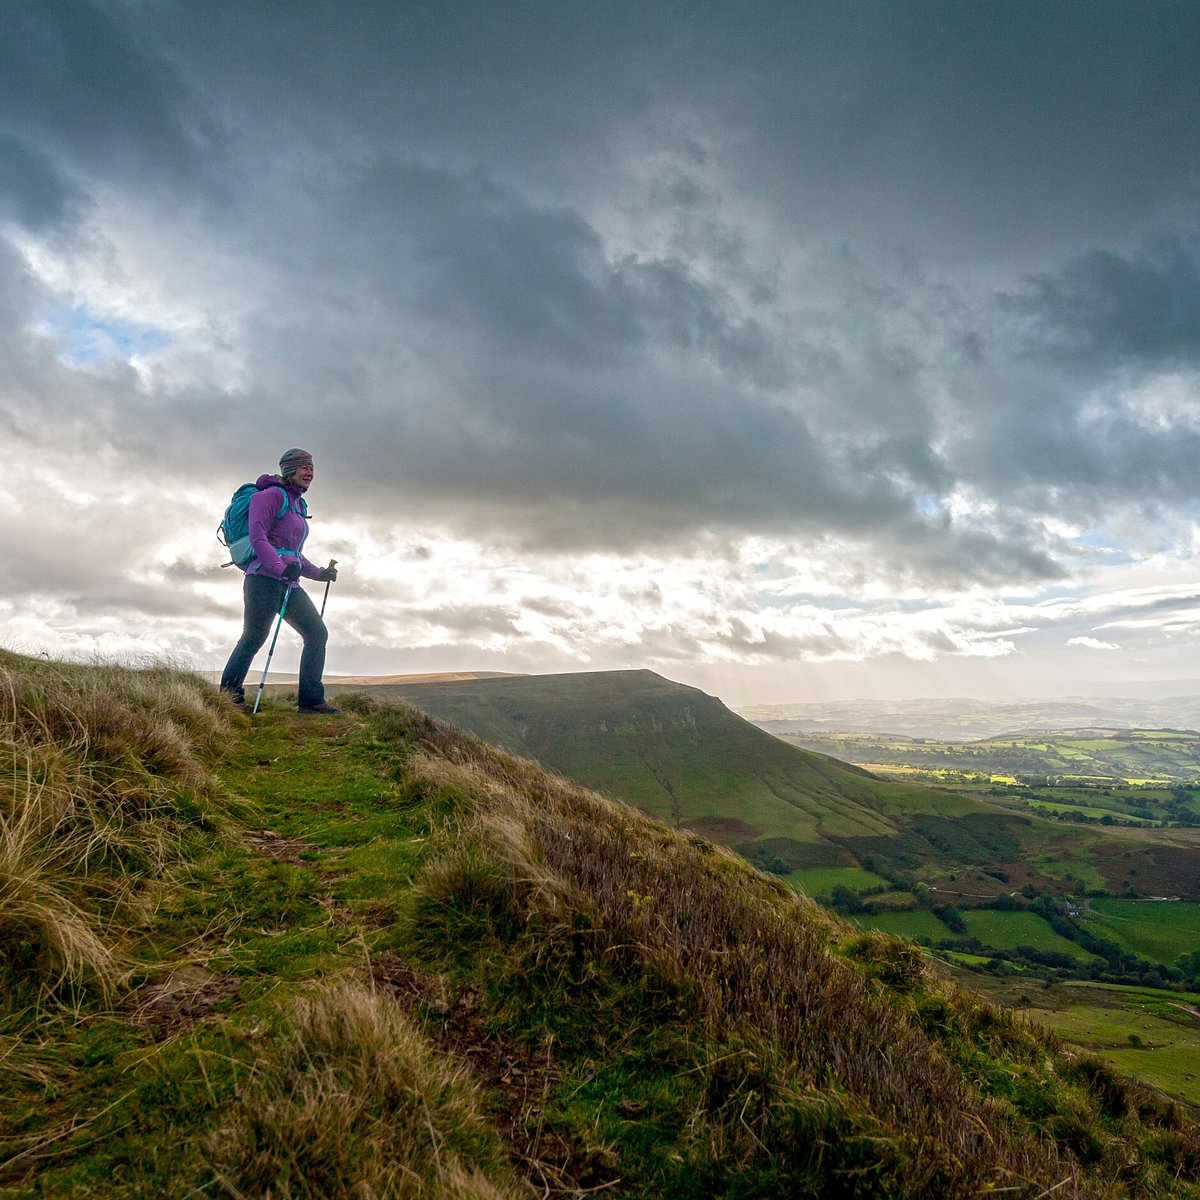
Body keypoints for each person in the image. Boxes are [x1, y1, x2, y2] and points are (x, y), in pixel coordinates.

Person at [219, 448, 340, 714]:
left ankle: (310, 701)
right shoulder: (271, 496)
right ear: (289, 470)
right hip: (262, 578)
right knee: (253, 637)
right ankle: (229, 699)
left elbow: (294, 554)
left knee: (316, 633)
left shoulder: (298, 504)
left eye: (311, 467)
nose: (310, 472)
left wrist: (321, 574)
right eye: (304, 467)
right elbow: (258, 538)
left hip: (288, 581)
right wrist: (279, 568)